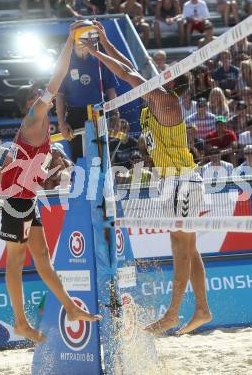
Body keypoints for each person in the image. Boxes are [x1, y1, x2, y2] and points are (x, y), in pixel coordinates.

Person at [81, 21, 212, 334]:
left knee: (181, 249)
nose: (155, 74)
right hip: (175, 182)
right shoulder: (156, 100)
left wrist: (93, 52)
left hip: (182, 181)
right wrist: (105, 42)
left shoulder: (165, 101)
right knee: (189, 249)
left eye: (161, 73)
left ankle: (172, 313)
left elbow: (128, 75)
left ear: (168, 82)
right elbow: (128, 69)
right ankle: (203, 309)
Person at [0, 23, 101, 344]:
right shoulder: (32, 119)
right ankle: (20, 323)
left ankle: (70, 307)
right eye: (35, 95)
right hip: (16, 198)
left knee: (42, 259)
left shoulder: (41, 126)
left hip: (25, 198)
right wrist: (70, 41)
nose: (41, 95)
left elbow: (55, 87)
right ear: (30, 103)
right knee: (15, 261)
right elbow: (57, 79)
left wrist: (64, 127)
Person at [56, 23, 118, 162]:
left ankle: (103, 184)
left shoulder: (100, 58)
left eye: (91, 37)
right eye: (84, 37)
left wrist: (115, 114)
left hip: (98, 112)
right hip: (75, 114)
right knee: (79, 159)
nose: (87, 41)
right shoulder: (67, 60)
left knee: (101, 158)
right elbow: (59, 95)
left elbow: (111, 89)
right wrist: (61, 122)